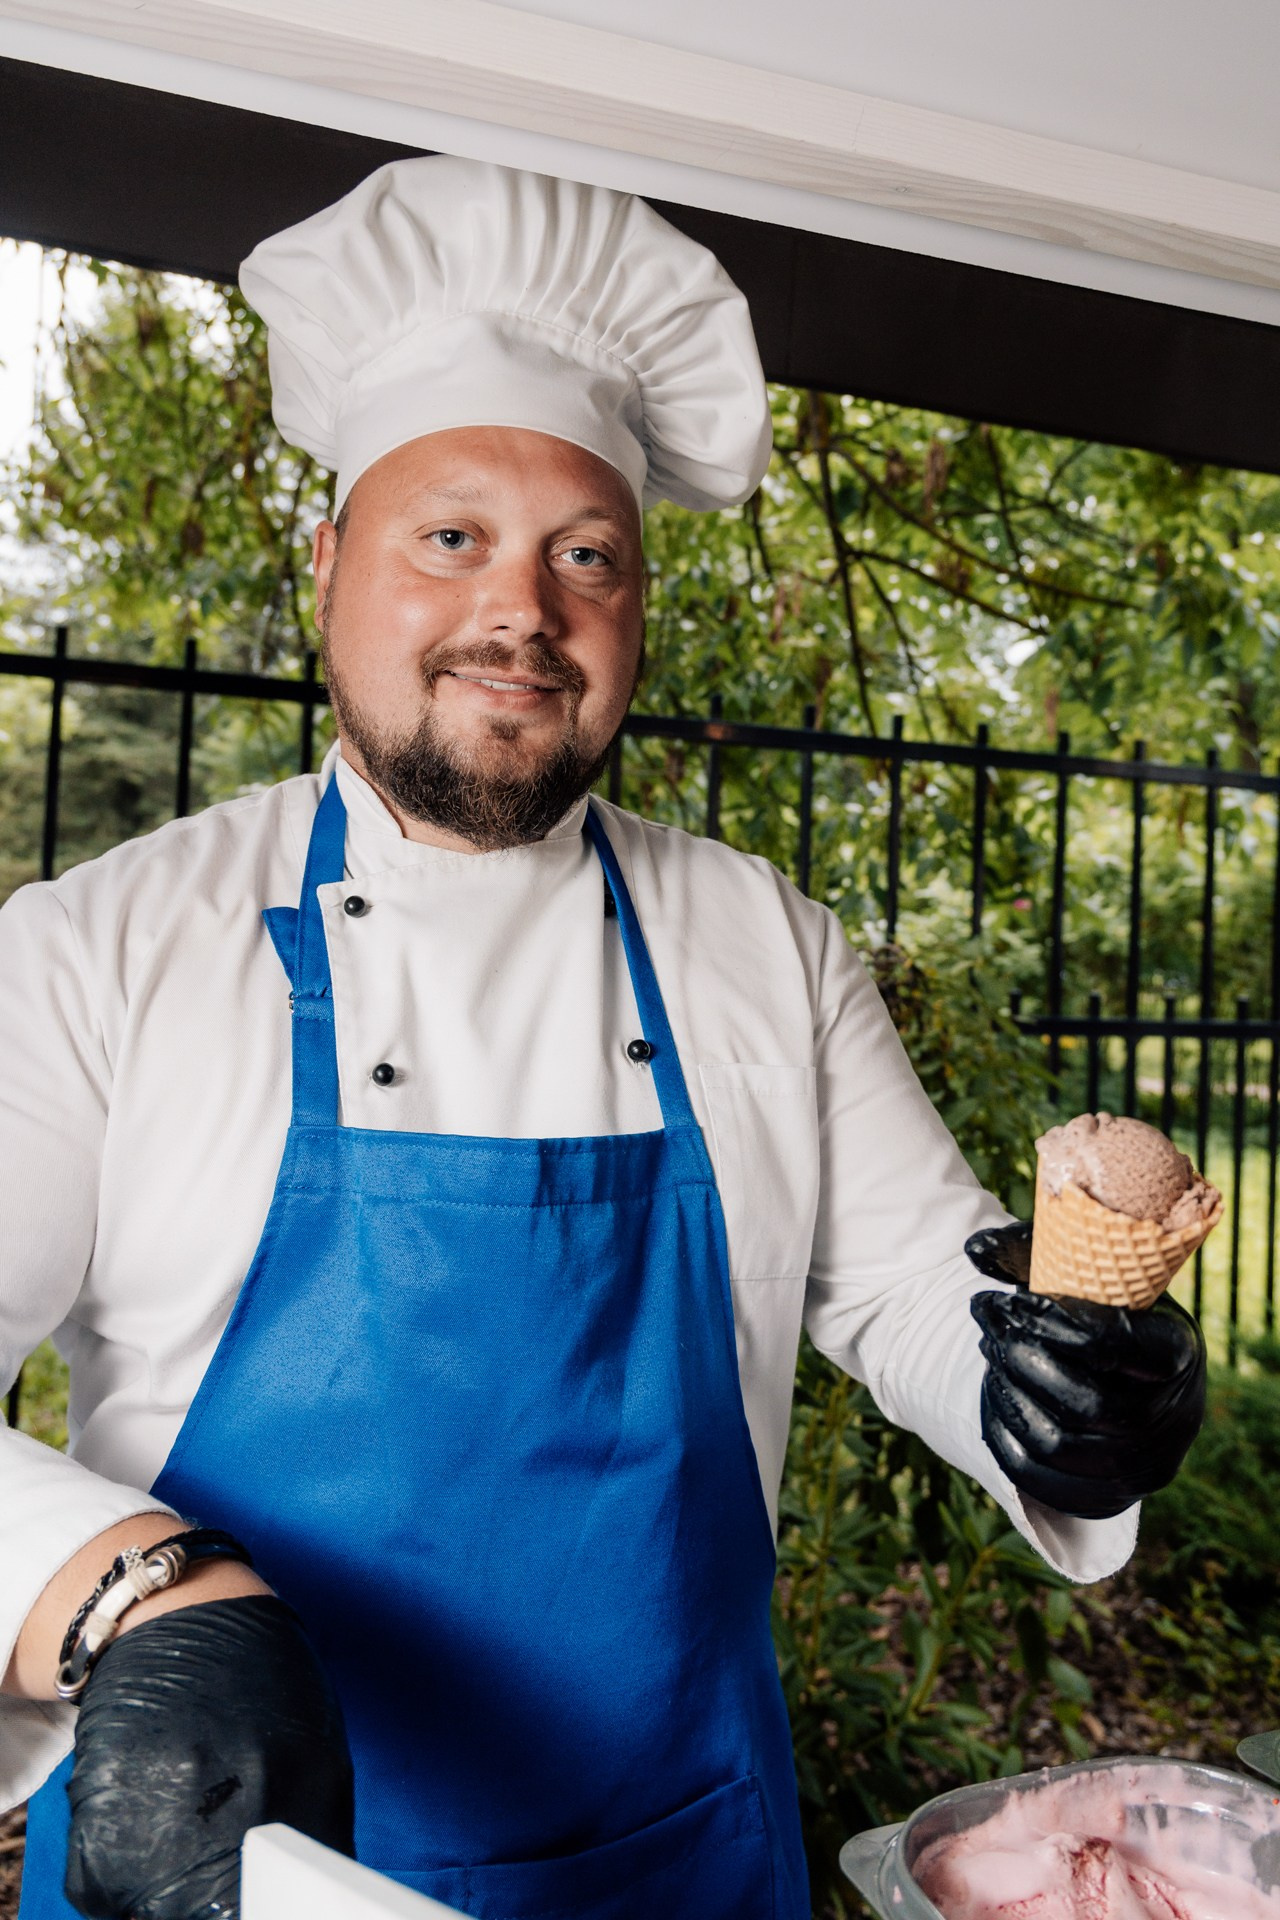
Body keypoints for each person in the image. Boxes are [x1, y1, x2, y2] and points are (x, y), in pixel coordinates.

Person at [0, 157, 1204, 1920]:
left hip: (676, 1859)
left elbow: (903, 1292)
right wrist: (122, 1590)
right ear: (328, 561)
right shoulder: (101, 945)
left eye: (589, 556)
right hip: (223, 1873)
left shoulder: (759, 941)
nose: (526, 609)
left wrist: (1064, 1399)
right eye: (451, 537)